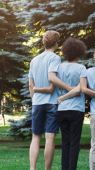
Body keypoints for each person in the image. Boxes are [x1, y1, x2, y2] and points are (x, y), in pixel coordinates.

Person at [52, 37, 87, 170]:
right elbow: (80, 89)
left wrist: (62, 98)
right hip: (77, 109)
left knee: (65, 142)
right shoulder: (81, 68)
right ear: (79, 52)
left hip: (62, 109)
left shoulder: (58, 67)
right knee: (74, 142)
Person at [28, 30, 61, 170]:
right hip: (51, 103)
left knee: (35, 137)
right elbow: (52, 85)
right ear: (56, 43)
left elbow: (31, 85)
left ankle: (32, 168)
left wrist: (34, 97)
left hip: (37, 103)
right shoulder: (55, 58)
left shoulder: (34, 60)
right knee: (49, 138)